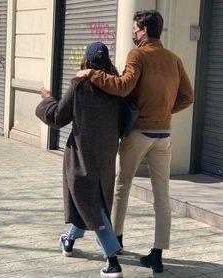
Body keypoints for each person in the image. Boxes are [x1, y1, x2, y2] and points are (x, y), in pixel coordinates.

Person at [76, 10, 194, 273]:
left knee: (121, 186)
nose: (133, 33)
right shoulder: (174, 59)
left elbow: (122, 87)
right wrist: (162, 113)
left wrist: (91, 75)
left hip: (139, 133)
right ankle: (157, 254)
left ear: (143, 30)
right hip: (163, 135)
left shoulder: (138, 55)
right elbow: (187, 97)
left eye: (135, 29)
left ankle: (115, 242)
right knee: (162, 196)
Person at [36, 42, 123, 278]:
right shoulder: (117, 87)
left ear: (86, 61)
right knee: (88, 200)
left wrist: (47, 99)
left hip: (81, 154)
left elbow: (57, 116)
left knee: (92, 204)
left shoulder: (80, 85)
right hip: (106, 153)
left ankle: (112, 260)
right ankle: (69, 241)